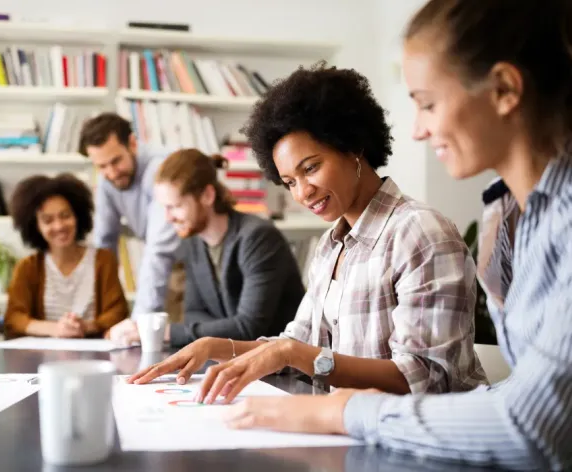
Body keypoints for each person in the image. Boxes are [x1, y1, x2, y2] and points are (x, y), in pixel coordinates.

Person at [209, 1, 572, 470]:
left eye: (427, 103)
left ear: (504, 89)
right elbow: (531, 395)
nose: (418, 130)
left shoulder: (428, 230)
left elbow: (532, 423)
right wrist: (222, 349)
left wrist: (341, 410)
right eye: (289, 182)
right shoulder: (504, 215)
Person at [129, 64, 486, 400]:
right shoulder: (331, 247)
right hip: (350, 428)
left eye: (311, 168)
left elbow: (426, 378)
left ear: (353, 145)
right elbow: (295, 342)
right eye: (289, 182)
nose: (302, 192)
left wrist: (295, 354)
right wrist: (217, 346)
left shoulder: (420, 232)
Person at [113, 148, 305, 348]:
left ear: (207, 195)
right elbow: (193, 314)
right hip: (232, 362)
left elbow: (249, 328)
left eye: (175, 206)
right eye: (165, 208)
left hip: (280, 371)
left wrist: (166, 332)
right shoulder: (193, 241)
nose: (168, 218)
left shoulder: (258, 238)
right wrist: (225, 327)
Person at [79, 113, 180, 331]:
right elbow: (105, 242)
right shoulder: (108, 180)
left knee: (174, 342)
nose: (111, 173)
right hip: (161, 265)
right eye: (102, 166)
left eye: (116, 161)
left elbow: (159, 250)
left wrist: (138, 323)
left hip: (186, 268)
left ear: (132, 144)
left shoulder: (161, 168)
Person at [4, 173, 129, 339]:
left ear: (77, 216)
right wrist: (55, 329)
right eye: (48, 220)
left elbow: (117, 312)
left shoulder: (103, 260)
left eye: (65, 216)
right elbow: (14, 318)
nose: (59, 226)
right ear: (36, 226)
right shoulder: (28, 267)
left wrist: (85, 326)